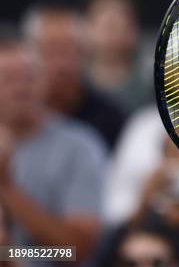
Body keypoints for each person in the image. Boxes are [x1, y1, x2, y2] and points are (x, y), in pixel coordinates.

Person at [0, 24, 106, 266]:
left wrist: (7, 188)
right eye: (8, 78)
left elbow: (76, 251)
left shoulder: (81, 147)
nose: (20, 87)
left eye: (28, 77)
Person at [21, 2, 127, 150]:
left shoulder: (113, 119)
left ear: (85, 53)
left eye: (67, 50)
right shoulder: (16, 119)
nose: (60, 63)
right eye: (50, 50)